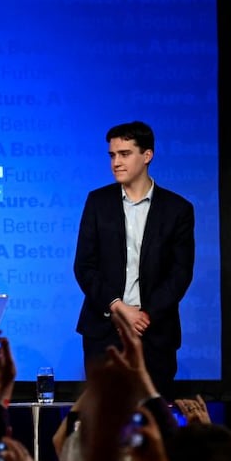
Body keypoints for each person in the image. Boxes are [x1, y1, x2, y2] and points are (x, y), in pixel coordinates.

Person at [73, 121, 195, 399]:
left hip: (154, 332)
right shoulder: (97, 202)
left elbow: (180, 273)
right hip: (104, 330)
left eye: (124, 154)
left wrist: (144, 315)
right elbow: (84, 266)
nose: (116, 162)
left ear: (147, 156)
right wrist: (118, 307)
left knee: (152, 420)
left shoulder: (178, 209)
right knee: (104, 423)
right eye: (112, 155)